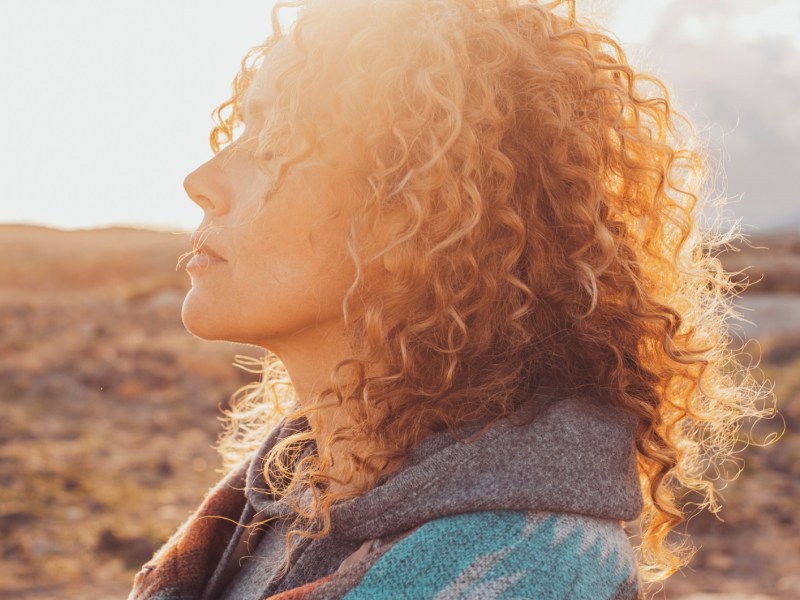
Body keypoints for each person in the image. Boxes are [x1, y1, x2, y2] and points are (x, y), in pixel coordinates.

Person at [129, 0, 767, 598]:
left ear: (420, 205)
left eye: (277, 141)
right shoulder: (264, 509)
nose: (201, 182)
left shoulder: (533, 575)